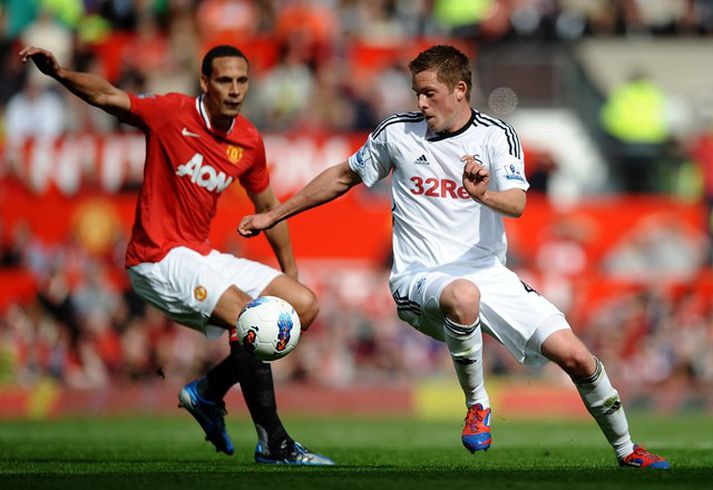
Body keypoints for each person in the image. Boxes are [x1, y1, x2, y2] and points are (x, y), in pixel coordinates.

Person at [239, 45, 670, 469]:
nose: (420, 103)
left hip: (488, 274)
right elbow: (342, 177)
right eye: (416, 93)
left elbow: (518, 204)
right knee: (462, 295)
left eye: (429, 93)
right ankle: (478, 405)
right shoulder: (397, 133)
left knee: (577, 357)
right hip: (419, 277)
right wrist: (274, 213)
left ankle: (628, 450)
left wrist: (483, 195)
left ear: (459, 89)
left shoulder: (495, 136)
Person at [20, 44, 334, 466]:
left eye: (242, 80)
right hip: (156, 257)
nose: (235, 90)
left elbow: (269, 210)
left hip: (199, 253)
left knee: (303, 307)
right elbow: (108, 96)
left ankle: (207, 392)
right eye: (225, 80)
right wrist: (59, 72)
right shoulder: (171, 113)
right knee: (251, 316)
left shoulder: (248, 139)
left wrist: (291, 273)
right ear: (205, 82)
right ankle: (273, 444)